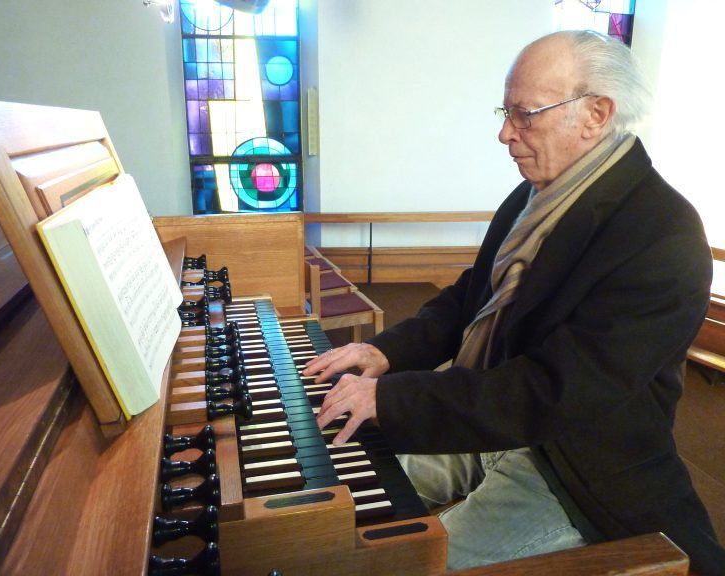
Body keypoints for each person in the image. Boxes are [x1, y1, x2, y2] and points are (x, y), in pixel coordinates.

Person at [303, 30, 725, 575]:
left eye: (526, 114)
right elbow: (468, 298)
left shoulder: (663, 235)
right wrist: (385, 353)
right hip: (491, 415)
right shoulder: (536, 194)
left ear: (596, 114)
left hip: (576, 461)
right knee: (340, 480)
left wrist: (393, 398)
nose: (506, 133)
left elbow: (555, 391)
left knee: (408, 565)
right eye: (506, 112)